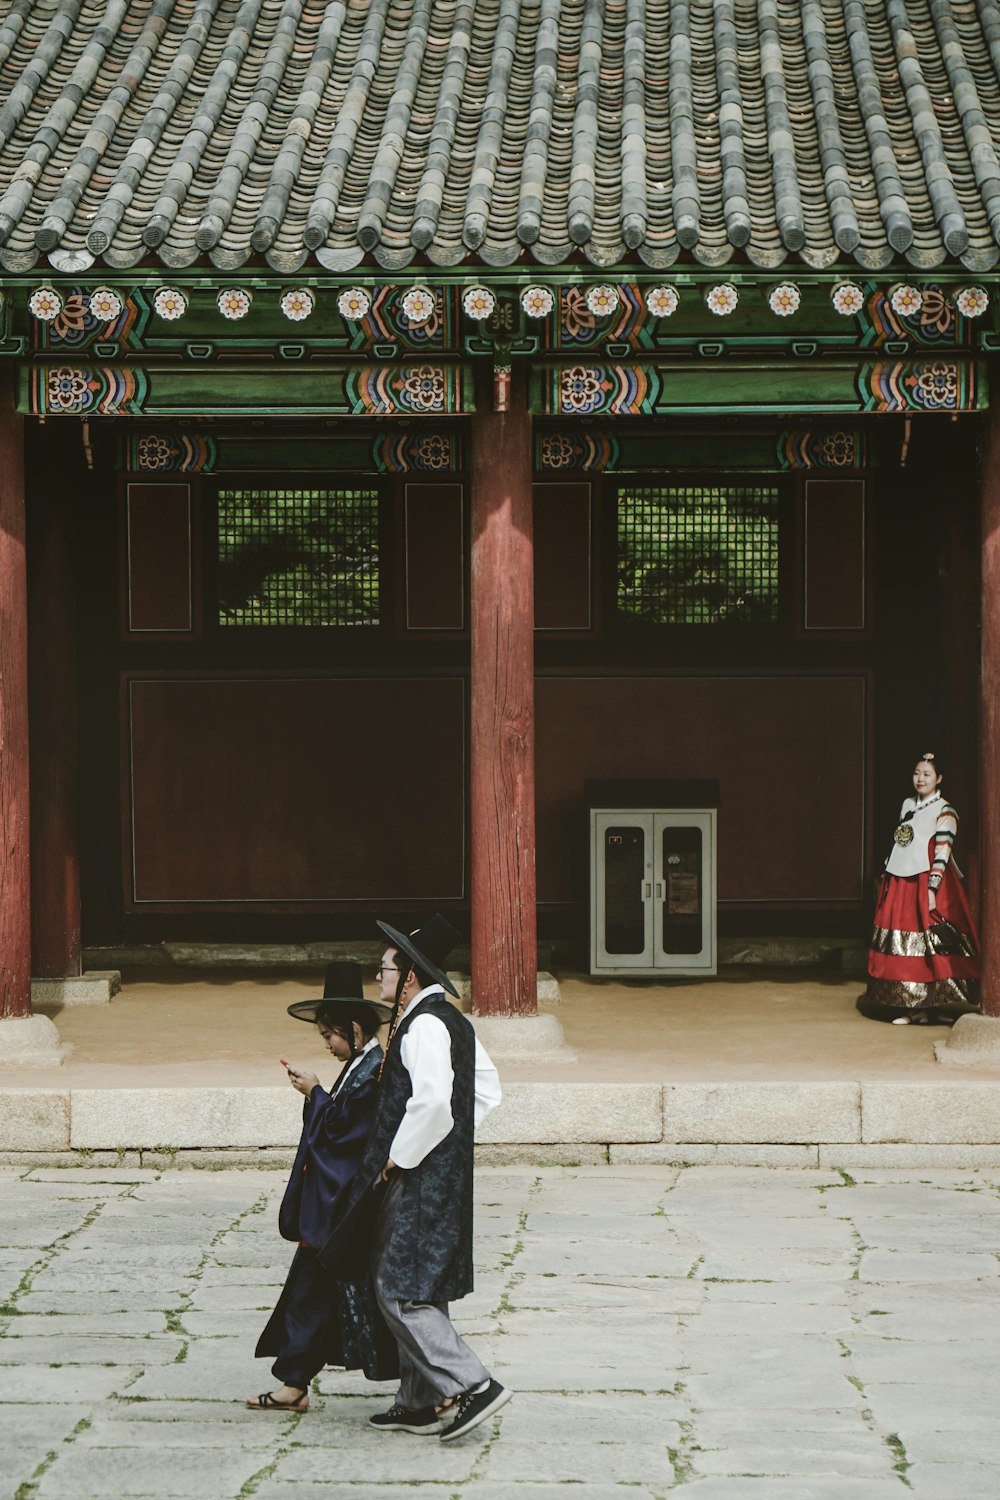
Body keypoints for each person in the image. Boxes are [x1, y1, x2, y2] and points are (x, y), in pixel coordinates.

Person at [322, 914, 510, 1443]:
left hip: (416, 1176)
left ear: (408, 976)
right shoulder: (448, 1020)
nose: (378, 977)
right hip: (436, 1170)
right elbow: (485, 1092)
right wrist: (446, 1143)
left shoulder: (425, 1023)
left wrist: (402, 1156)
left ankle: (472, 1384)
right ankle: (420, 1400)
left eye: (384, 968)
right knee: (419, 1281)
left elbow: (431, 1100)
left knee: (399, 1289)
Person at [248, 961, 398, 1410]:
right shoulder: (360, 1064)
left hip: (342, 1207)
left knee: (326, 1296)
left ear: (353, 1028)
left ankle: (440, 1382)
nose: (328, 1045)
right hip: (332, 1206)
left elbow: (344, 1136)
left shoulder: (372, 1071)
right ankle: (294, 1382)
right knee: (311, 1294)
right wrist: (317, 1094)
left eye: (330, 1035)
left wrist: (315, 1094)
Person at [857, 752, 980, 1025]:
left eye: (927, 774)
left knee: (930, 944)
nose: (920, 778)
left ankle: (934, 1005)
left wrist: (933, 888)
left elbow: (942, 852)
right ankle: (914, 1006)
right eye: (917, 773)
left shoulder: (945, 810)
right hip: (901, 881)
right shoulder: (906, 804)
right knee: (906, 945)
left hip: (926, 881)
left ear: (939, 779)